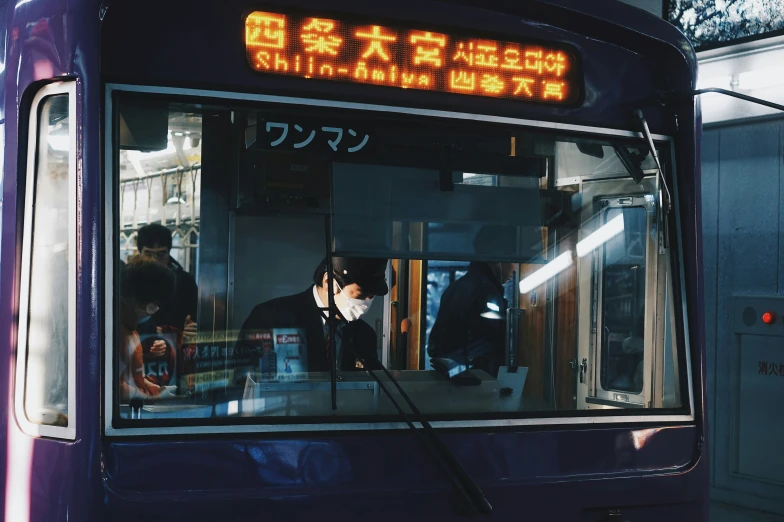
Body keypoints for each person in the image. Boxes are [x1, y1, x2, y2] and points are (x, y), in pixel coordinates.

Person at [236, 256, 389, 376]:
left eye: (372, 296)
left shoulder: (364, 335)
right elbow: (243, 382)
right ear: (329, 283)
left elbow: (370, 388)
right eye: (360, 295)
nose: (366, 303)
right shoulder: (271, 319)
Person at [427, 226, 516, 378]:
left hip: (456, 382)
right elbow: (490, 346)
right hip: (478, 383)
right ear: (498, 259)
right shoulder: (487, 293)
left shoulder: (454, 289)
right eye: (512, 260)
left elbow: (434, 347)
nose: (514, 269)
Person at [118, 255, 179, 402]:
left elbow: (136, 378)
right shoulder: (115, 334)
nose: (154, 310)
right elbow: (113, 386)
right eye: (152, 305)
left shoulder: (131, 329)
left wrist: (157, 390)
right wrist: (150, 396)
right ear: (134, 298)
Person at [135, 223, 198, 339]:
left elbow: (195, 319)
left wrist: (192, 329)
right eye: (148, 254)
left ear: (169, 253)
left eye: (161, 254)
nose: (154, 260)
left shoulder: (185, 283)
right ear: (139, 253)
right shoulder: (130, 281)